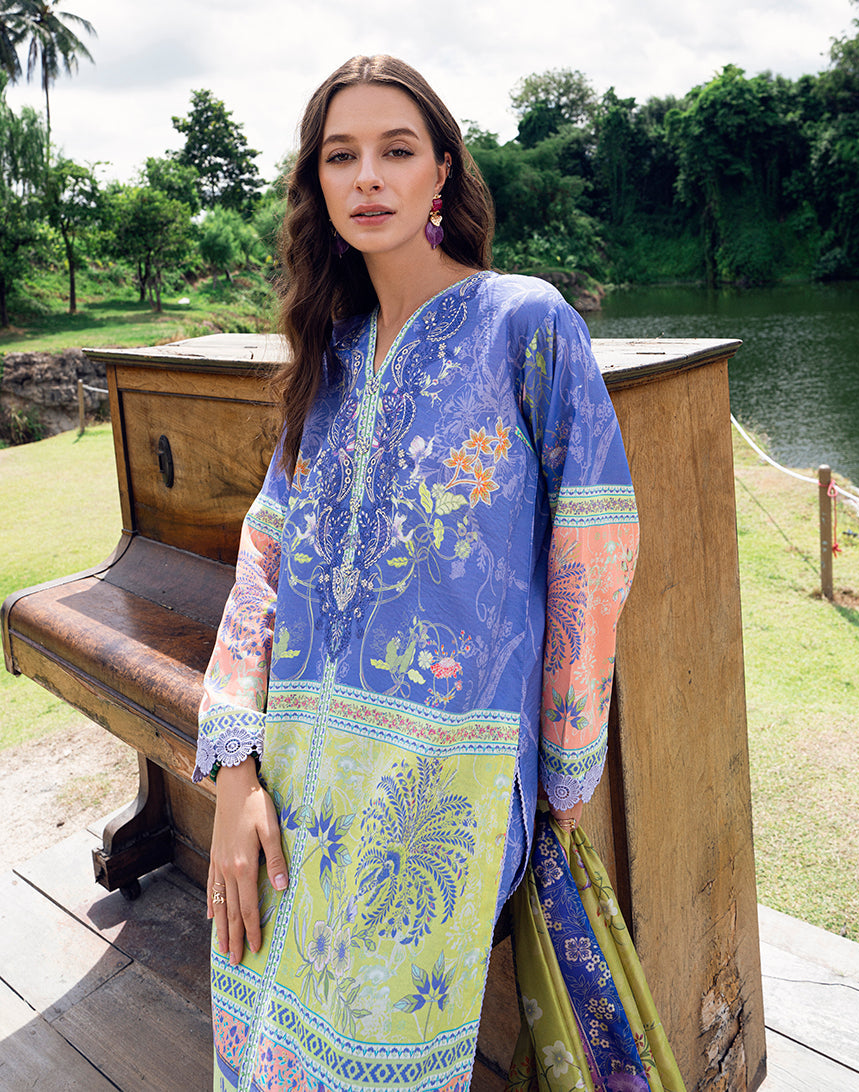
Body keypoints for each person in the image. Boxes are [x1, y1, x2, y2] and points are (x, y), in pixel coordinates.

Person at [193, 54, 639, 1092]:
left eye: (396, 150)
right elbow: (262, 567)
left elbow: (594, 540)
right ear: (316, 186)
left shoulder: (526, 325)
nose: (368, 177)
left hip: (446, 787)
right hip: (292, 774)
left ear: (442, 171)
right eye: (340, 156)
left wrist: (565, 768)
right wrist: (236, 775)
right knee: (256, 1018)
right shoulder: (328, 359)